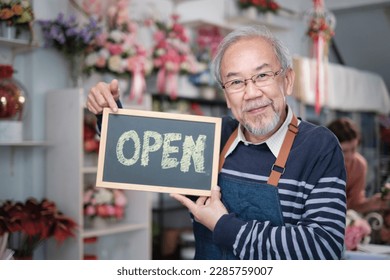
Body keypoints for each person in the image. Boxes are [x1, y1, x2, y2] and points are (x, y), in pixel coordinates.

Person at [86, 25, 347, 260]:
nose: (251, 93)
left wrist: (224, 226)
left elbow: (323, 248)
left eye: (263, 76)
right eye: (235, 82)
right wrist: (107, 112)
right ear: (225, 95)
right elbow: (141, 152)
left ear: (287, 80)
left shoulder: (319, 146)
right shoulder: (211, 136)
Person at [327, 117, 390, 214]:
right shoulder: (317, 164)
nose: (350, 156)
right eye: (344, 151)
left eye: (354, 149)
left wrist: (374, 203)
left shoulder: (359, 165)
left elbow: (355, 205)